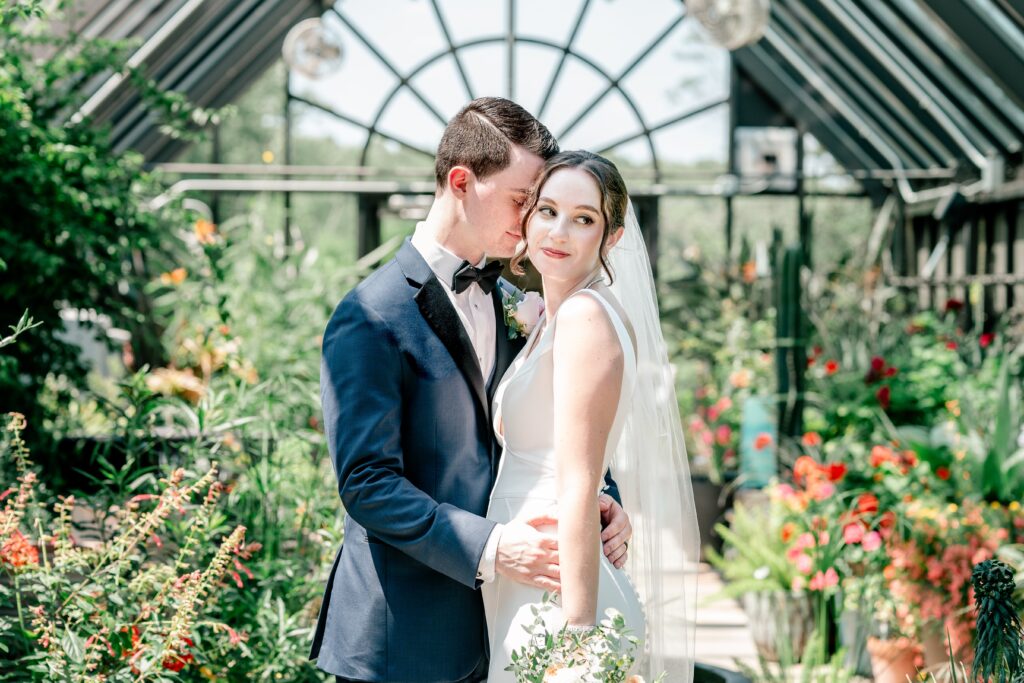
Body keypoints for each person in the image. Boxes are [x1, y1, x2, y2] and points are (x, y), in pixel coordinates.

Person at [310, 98, 634, 683]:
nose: (534, 217)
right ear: (461, 182)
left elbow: (551, 435)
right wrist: (493, 548)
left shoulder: (520, 306)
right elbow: (366, 483)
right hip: (402, 639)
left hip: (504, 625)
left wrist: (604, 504)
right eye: (523, 200)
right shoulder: (370, 315)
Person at [485, 150, 699, 680]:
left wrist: (577, 636)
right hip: (525, 568)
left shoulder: (584, 317)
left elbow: (578, 482)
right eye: (547, 210)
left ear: (612, 238)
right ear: (528, 218)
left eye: (584, 219)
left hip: (555, 591)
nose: (559, 231)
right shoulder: (551, 319)